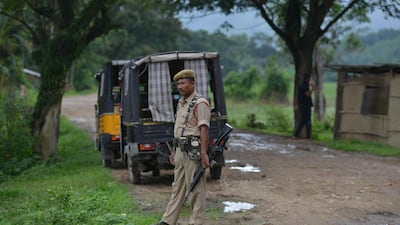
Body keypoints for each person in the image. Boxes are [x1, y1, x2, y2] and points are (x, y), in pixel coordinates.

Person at [154, 69, 211, 225]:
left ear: (192, 83)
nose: (180, 86)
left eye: (183, 83)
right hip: (180, 150)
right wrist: (173, 150)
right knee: (177, 187)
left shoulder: (200, 103)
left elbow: (204, 128)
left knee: (196, 189)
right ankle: (168, 220)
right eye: (178, 84)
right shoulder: (181, 102)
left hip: (193, 151)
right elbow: (179, 129)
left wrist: (204, 152)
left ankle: (196, 222)